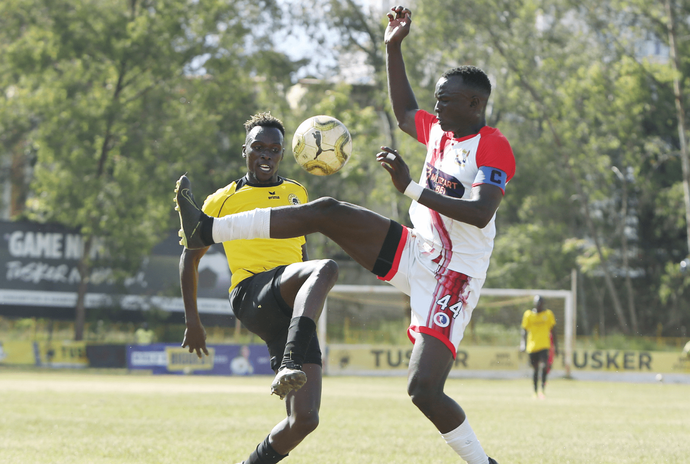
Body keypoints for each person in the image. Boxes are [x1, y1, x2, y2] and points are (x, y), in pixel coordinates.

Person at [174, 6, 513, 461]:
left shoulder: (493, 146)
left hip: (455, 274)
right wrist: (392, 47)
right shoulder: (440, 131)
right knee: (328, 211)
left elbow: (480, 213)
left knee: (423, 390)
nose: (436, 107)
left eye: (445, 99)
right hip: (419, 250)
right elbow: (403, 110)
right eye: (436, 98)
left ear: (474, 104)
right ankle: (208, 229)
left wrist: (411, 188)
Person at [178, 112, 339, 464]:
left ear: (282, 154)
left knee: (304, 420)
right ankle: (290, 360)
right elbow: (189, 258)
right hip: (252, 294)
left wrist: (306, 298)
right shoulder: (221, 200)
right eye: (258, 147)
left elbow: (300, 252)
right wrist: (193, 321)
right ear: (245, 150)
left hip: (291, 309)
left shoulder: (297, 191)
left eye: (274, 149)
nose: (266, 155)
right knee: (326, 267)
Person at [521, 295, 557, 399]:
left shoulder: (548, 314)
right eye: (537, 303)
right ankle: (535, 391)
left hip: (544, 345)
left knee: (544, 366)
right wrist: (523, 344)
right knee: (535, 369)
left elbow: (553, 330)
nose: (539, 305)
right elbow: (524, 330)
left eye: (540, 303)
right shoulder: (528, 315)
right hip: (532, 346)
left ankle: (542, 389)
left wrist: (556, 346)